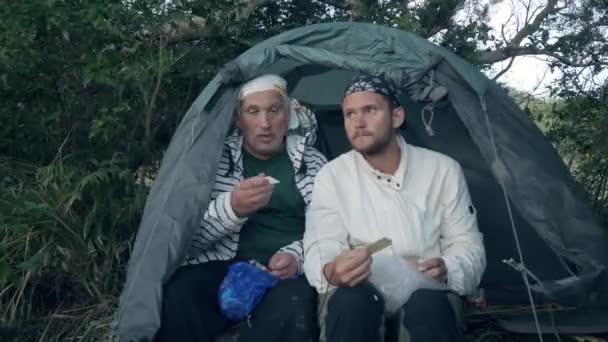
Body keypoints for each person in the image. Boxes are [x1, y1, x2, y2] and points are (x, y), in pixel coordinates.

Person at [303, 74, 486, 342]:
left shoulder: (442, 170)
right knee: (352, 304)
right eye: (350, 114)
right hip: (359, 285)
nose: (359, 122)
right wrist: (331, 270)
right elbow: (321, 243)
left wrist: (448, 268)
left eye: (370, 110)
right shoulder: (332, 176)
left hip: (426, 286)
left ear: (397, 116)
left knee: (428, 308)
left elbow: (468, 246)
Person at [156, 74, 327, 342]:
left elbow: (327, 231)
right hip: (221, 264)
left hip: (282, 272)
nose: (265, 123)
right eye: (252, 111)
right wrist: (232, 208)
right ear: (238, 119)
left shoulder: (314, 164)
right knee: (179, 296)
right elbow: (185, 240)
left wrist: (296, 257)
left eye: (274, 110)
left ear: (289, 114)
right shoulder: (211, 162)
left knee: (294, 306)